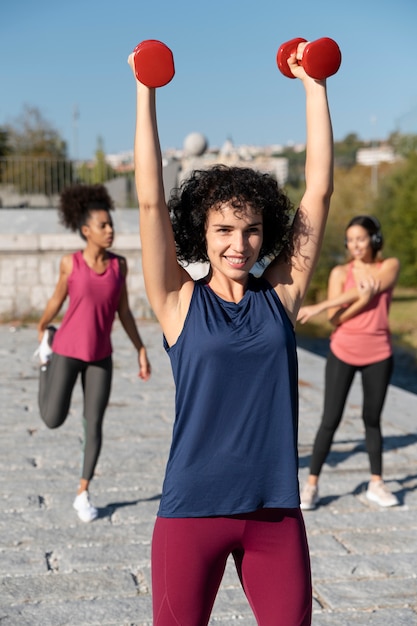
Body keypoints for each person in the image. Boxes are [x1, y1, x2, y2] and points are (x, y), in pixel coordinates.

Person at [128, 38, 334, 626]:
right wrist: (146, 91)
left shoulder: (280, 297)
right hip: (191, 513)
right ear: (203, 232)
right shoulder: (178, 302)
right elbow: (148, 205)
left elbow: (317, 193)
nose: (238, 245)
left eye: (250, 230)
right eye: (223, 230)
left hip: (275, 514)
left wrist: (313, 85)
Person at [35, 184, 151, 522]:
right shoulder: (70, 264)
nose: (110, 230)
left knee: (94, 424)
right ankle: (46, 361)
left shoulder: (120, 267)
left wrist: (141, 348)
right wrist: (43, 325)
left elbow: (124, 312)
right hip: (67, 349)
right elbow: (58, 299)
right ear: (86, 230)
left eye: (111, 224)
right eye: (103, 225)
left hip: (101, 355)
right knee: (53, 419)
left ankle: (83, 492)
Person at [298, 215, 400, 511]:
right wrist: (358, 302)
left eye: (361, 238)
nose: (355, 245)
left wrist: (319, 305)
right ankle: (312, 485)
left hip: (379, 351)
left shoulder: (388, 266)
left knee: (372, 419)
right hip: (343, 349)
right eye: (351, 239)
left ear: (374, 239)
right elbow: (336, 320)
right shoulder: (340, 272)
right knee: (330, 419)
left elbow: (367, 290)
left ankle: (376, 483)